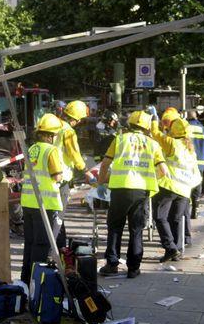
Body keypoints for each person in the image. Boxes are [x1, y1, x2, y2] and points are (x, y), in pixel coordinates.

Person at [96, 110, 167, 278]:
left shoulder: (119, 139)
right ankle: (134, 268)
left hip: (120, 189)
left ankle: (112, 264)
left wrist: (101, 182)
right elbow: (163, 170)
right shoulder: (153, 144)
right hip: (141, 191)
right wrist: (150, 177)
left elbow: (106, 162)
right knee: (136, 229)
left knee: (115, 227)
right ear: (146, 127)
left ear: (130, 124)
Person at [149, 112, 201, 262]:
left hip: (169, 186)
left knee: (159, 217)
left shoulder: (172, 143)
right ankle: (176, 250)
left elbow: (155, 133)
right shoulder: (190, 149)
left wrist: (154, 120)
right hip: (185, 189)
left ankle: (170, 248)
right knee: (176, 219)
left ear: (174, 131)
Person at [20, 113, 64, 285]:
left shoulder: (32, 149)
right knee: (42, 244)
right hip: (45, 204)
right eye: (53, 135)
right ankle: (36, 282)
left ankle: (25, 279)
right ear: (49, 135)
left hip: (29, 202)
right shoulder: (51, 150)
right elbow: (57, 176)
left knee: (30, 243)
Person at [54, 100, 96, 249]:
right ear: (77, 119)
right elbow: (74, 154)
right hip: (60, 178)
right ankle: (57, 248)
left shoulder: (53, 124)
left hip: (46, 178)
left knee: (54, 215)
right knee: (58, 216)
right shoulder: (68, 131)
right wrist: (86, 170)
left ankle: (60, 245)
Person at [187, 110, 204, 218]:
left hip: (186, 163)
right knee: (197, 184)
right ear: (197, 117)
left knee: (187, 185)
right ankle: (195, 209)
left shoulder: (184, 128)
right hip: (200, 164)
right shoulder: (203, 129)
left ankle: (186, 208)